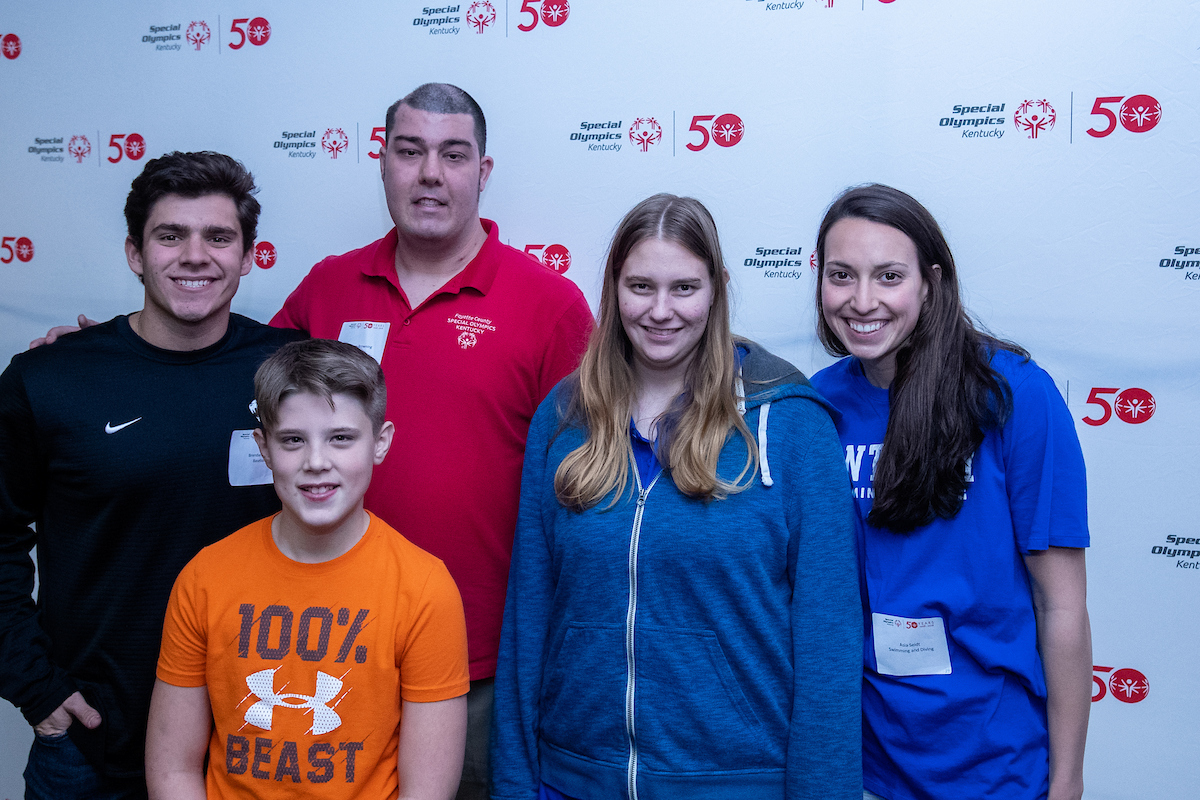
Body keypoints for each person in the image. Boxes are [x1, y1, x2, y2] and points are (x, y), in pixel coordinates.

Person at [269, 83, 594, 799]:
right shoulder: (327, 286)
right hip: (330, 647)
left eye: (453, 155)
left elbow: (591, 487)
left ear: (482, 171)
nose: (429, 174)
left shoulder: (549, 304)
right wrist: (126, 352)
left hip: (480, 663)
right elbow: (236, 395)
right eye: (409, 151)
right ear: (381, 162)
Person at [491, 194, 861, 800]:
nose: (661, 311)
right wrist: (513, 785)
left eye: (684, 288)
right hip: (573, 780)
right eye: (641, 286)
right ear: (612, 289)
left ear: (717, 289)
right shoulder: (561, 420)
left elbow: (827, 643)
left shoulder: (791, 426)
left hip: (736, 784)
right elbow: (528, 619)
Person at [0, 151, 306, 798]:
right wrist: (32, 684)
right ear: (135, 253)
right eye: (170, 235)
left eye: (218, 237)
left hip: (255, 735)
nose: (195, 255)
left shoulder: (290, 374)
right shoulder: (51, 379)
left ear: (249, 255)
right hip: (91, 746)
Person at [808, 184, 1092, 800]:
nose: (862, 301)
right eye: (841, 276)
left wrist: (1067, 783)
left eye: (888, 276)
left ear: (931, 282)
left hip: (996, 766)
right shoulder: (816, 408)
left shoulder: (1013, 397)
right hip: (862, 767)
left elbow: (1061, 605)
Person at [146, 338, 470, 800]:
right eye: (293, 440)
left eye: (341, 438)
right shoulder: (205, 577)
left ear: (380, 443)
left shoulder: (424, 589)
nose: (317, 463)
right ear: (263, 447)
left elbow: (427, 791)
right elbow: (172, 769)